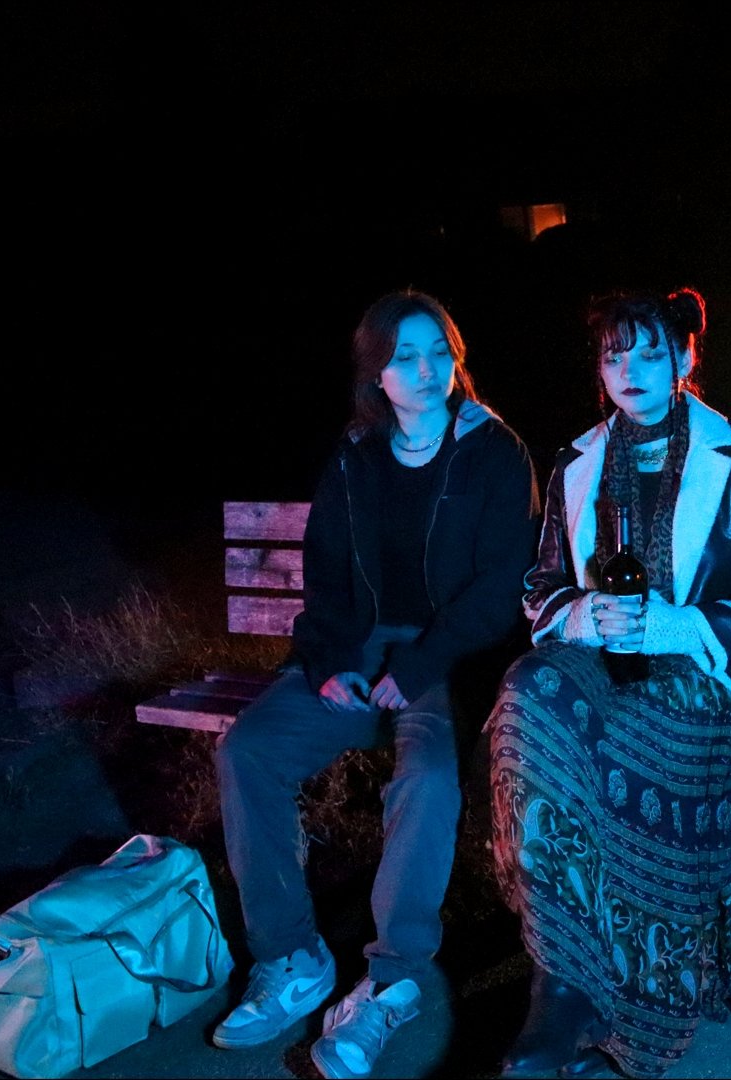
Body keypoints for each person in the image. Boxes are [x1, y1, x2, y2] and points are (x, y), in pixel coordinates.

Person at [487, 287, 731, 1079]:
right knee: (528, 695)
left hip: (711, 676)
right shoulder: (575, 460)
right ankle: (563, 983)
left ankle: (610, 1006)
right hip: (605, 665)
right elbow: (539, 587)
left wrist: (684, 626)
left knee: (632, 728)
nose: (629, 369)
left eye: (648, 352)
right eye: (614, 354)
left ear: (683, 359)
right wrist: (577, 614)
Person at [209, 290, 539, 1078]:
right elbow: (323, 579)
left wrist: (417, 666)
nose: (425, 371)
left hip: (446, 661)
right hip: (356, 654)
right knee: (247, 750)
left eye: (438, 352)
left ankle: (392, 982)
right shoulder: (355, 457)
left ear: (456, 360)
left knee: (425, 778)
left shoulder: (493, 451)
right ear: (377, 376)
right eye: (404, 357)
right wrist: (326, 670)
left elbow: (501, 586)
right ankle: (292, 958)